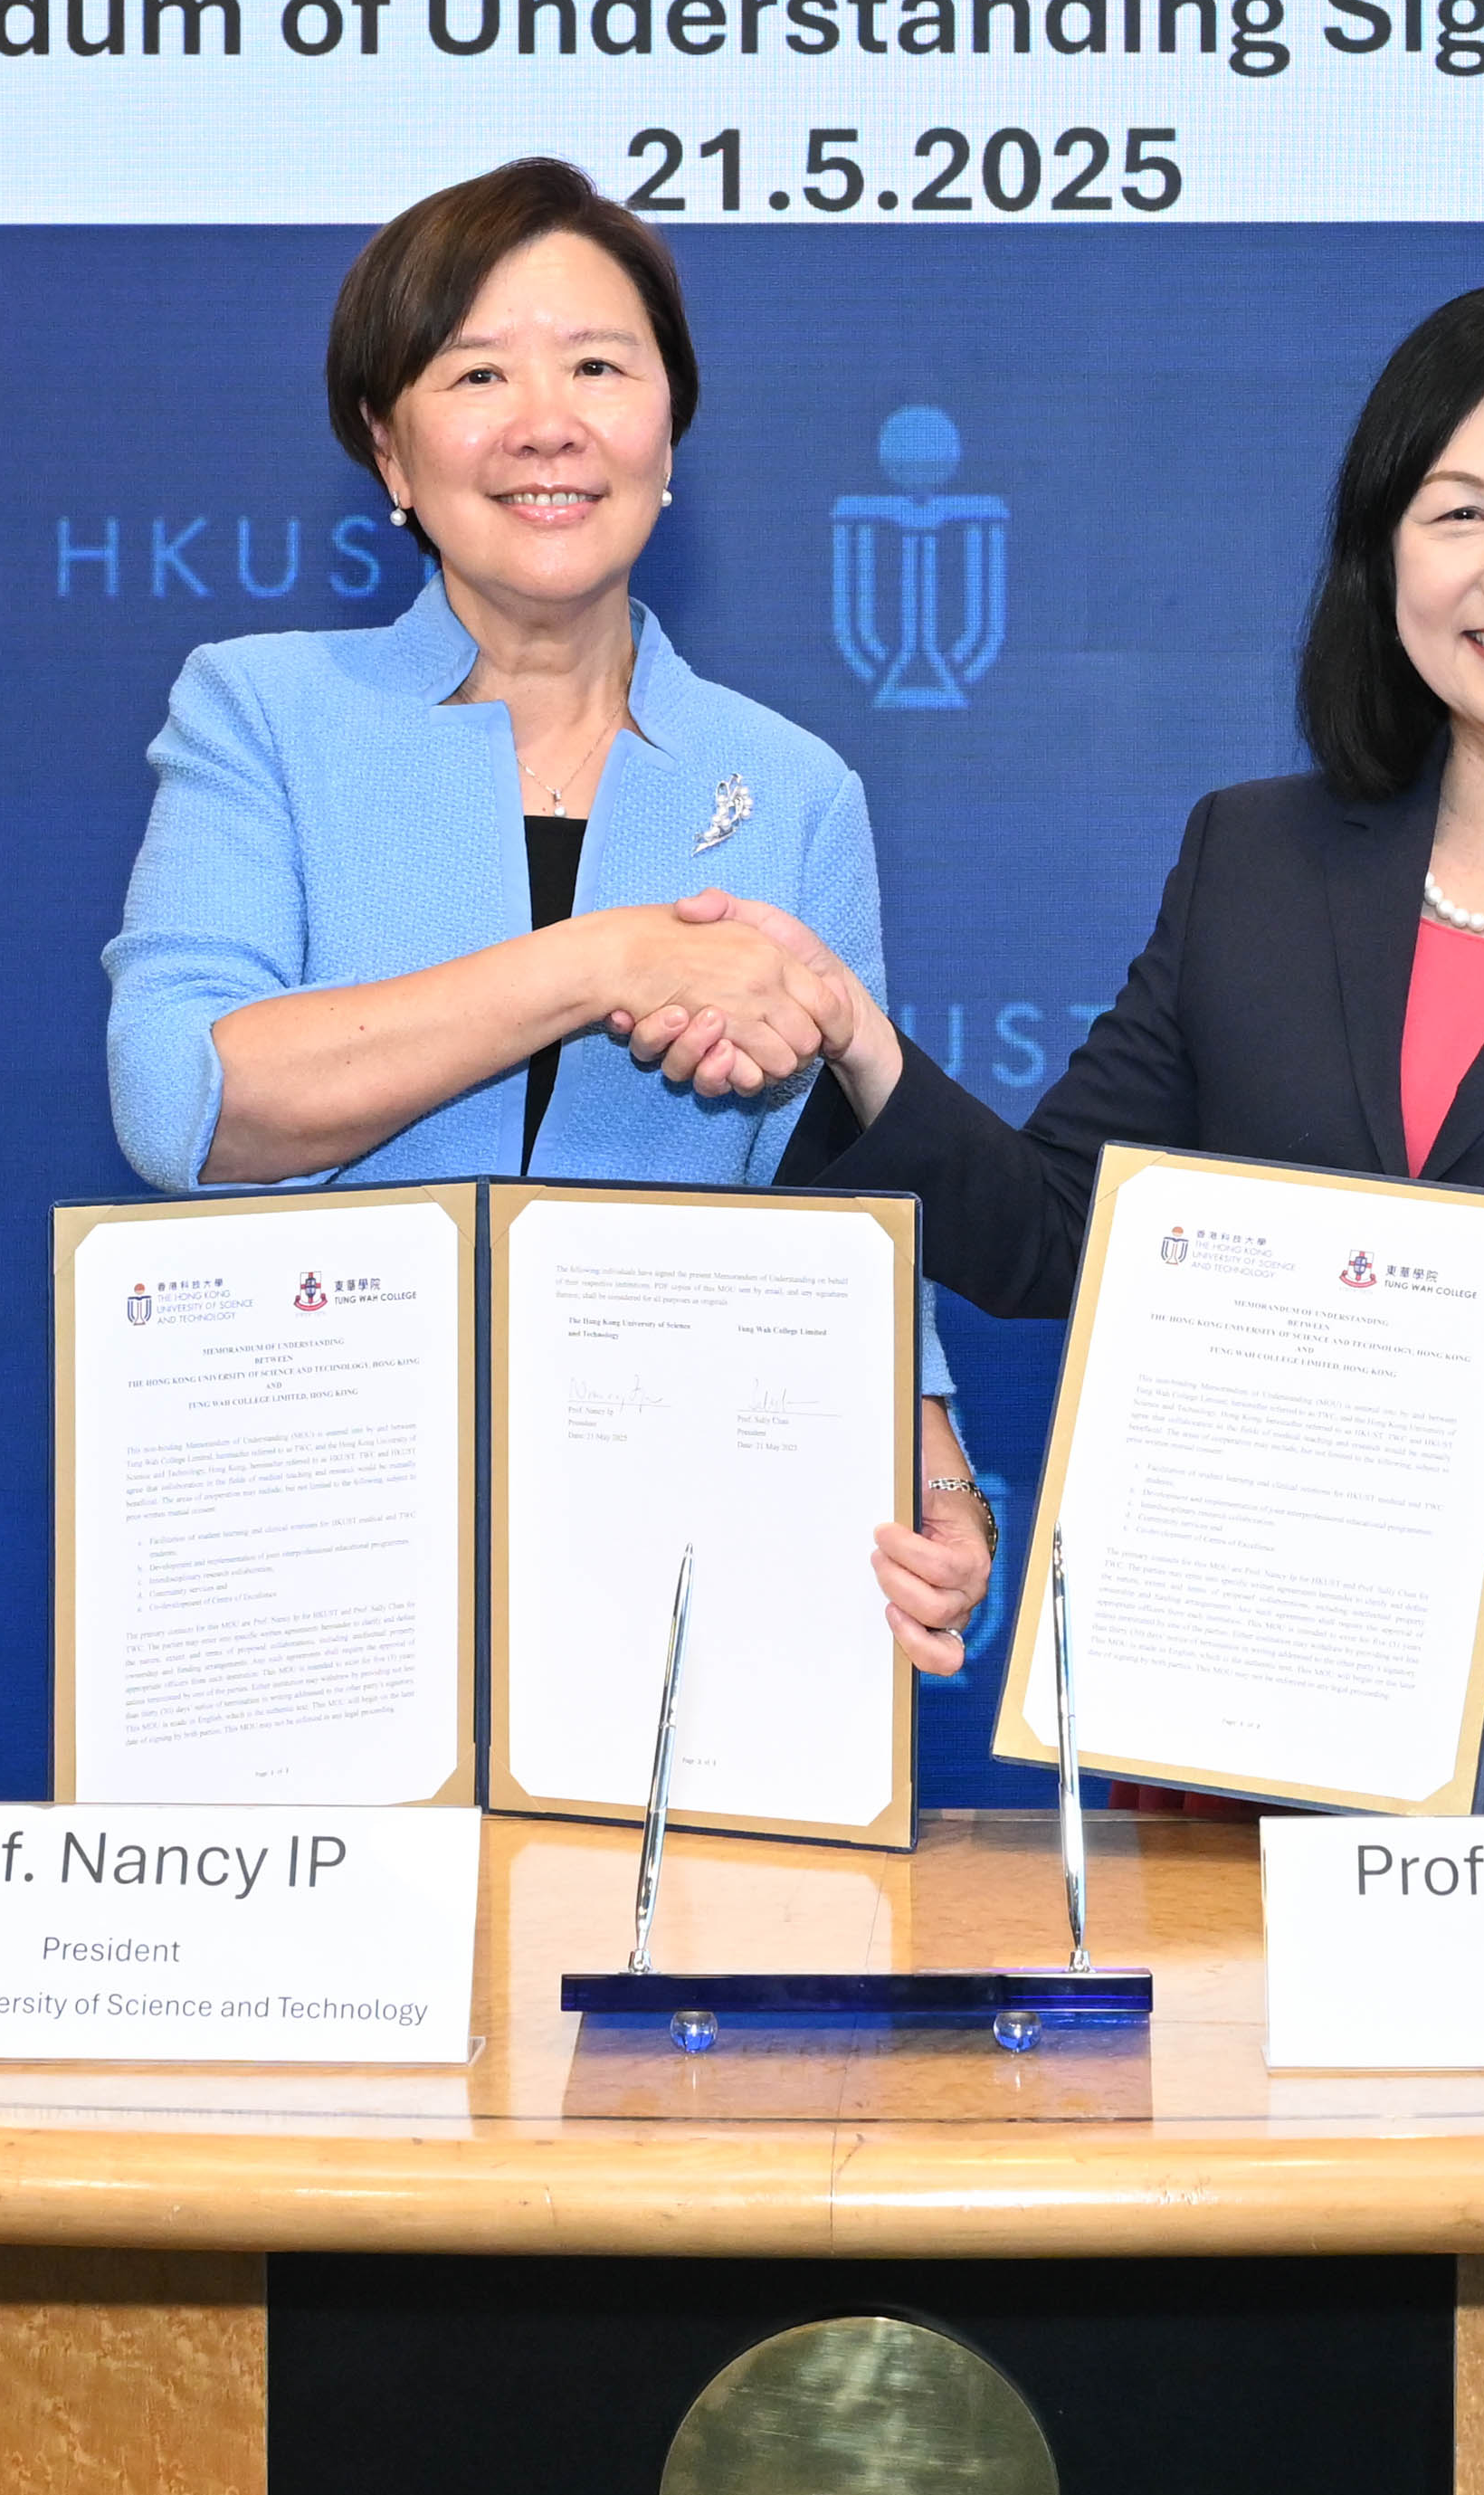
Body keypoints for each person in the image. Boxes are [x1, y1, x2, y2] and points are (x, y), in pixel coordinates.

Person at [106, 155, 987, 1669]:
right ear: (390, 451)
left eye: (596, 364)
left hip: (679, 1561)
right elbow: (190, 1102)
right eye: (476, 373)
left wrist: (935, 1477)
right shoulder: (262, 712)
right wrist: (603, 960)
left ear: (667, 435)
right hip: (311, 1532)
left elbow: (842, 1206)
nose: (545, 423)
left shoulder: (791, 788)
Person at [720, 276, 1484, 1311]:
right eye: (1458, 513)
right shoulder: (1253, 863)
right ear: (1384, 564)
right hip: (1268, 1588)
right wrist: (861, 1046)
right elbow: (1054, 1238)